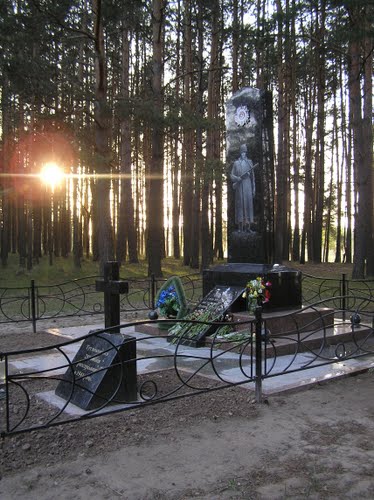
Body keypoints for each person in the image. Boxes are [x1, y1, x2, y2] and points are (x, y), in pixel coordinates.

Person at [230, 144, 257, 232]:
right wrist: (237, 178)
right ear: (240, 153)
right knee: (240, 205)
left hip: (248, 186)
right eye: (242, 152)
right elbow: (231, 175)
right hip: (239, 186)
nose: (243, 154)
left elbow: (253, 177)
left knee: (248, 205)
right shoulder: (236, 163)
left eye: (245, 152)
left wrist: (253, 189)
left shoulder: (250, 162)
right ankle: (240, 227)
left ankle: (248, 227)